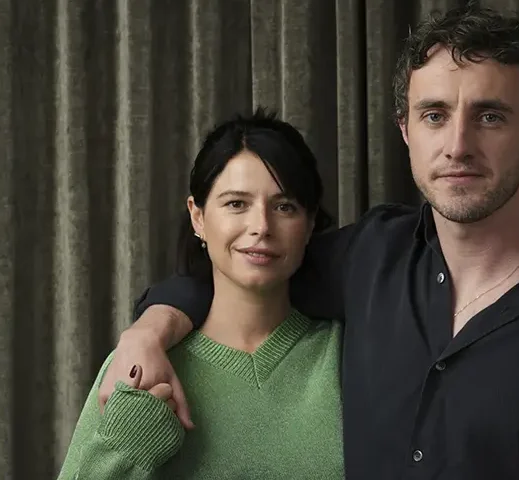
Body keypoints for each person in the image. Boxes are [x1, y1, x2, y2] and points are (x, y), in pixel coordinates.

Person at [97, 4, 519, 480]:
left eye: (491, 116)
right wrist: (149, 328)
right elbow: (244, 264)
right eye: (435, 115)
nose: (458, 145)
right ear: (406, 132)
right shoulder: (369, 258)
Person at [58, 109, 345, 479]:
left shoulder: (347, 356)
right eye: (236, 204)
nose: (261, 226)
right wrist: (125, 451)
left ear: (308, 225)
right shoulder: (141, 366)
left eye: (284, 206)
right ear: (198, 217)